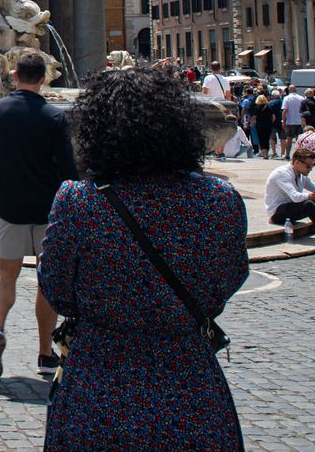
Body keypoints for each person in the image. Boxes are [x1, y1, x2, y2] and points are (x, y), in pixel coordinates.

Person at [39, 67, 249, 452]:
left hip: (99, 385)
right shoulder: (220, 201)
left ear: (98, 131)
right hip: (190, 385)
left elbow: (56, 289)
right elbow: (232, 276)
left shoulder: (79, 202)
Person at [0, 50, 77, 379]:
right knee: (45, 280)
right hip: (49, 210)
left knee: (6, 273)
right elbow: (67, 170)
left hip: (9, 206)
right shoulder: (54, 117)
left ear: (14, 76)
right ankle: (45, 354)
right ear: (44, 78)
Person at [264, 147, 315, 239]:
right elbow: (296, 197)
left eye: (312, 166)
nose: (310, 169)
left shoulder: (301, 174)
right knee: (308, 204)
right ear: (297, 162)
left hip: (291, 208)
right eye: (308, 166)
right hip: (277, 213)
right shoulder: (282, 174)